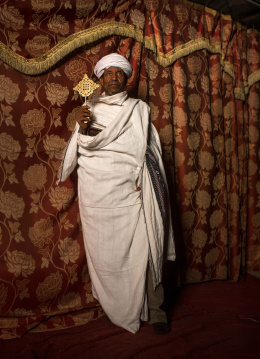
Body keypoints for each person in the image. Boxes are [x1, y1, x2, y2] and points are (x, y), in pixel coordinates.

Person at [57, 53, 175, 335]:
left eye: (119, 73)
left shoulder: (138, 109)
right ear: (99, 79)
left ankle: (157, 312)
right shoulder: (88, 109)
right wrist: (81, 125)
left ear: (126, 78)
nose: (113, 77)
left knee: (147, 247)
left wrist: (144, 178)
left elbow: (149, 149)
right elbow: (83, 148)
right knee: (107, 257)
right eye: (107, 73)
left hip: (133, 190)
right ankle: (117, 306)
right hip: (98, 196)